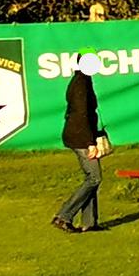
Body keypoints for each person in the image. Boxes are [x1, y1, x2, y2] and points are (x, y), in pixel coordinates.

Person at [50, 67, 107, 231]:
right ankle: (63, 216)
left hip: (79, 135)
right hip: (80, 137)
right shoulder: (81, 83)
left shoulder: (82, 80)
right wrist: (90, 143)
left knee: (91, 179)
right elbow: (82, 114)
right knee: (94, 177)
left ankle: (89, 223)